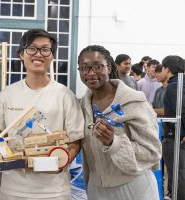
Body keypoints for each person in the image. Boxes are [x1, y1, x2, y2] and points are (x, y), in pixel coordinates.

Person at [0, 29, 84, 200]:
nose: (38, 54)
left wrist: (56, 162)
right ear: (21, 54)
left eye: (45, 49)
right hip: (12, 190)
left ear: (52, 55)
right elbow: (0, 138)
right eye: (32, 48)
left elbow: (75, 143)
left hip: (54, 192)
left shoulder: (66, 95)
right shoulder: (6, 95)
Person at [78, 45, 161, 200]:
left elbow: (152, 152)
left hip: (133, 188)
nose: (90, 73)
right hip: (97, 189)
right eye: (84, 68)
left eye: (97, 67)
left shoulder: (133, 102)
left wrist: (113, 142)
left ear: (109, 67)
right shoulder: (83, 106)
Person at [161, 55, 185, 200]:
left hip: (176, 138)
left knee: (178, 174)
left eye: (162, 68)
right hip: (176, 137)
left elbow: (182, 110)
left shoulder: (174, 87)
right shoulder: (179, 84)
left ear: (167, 69)